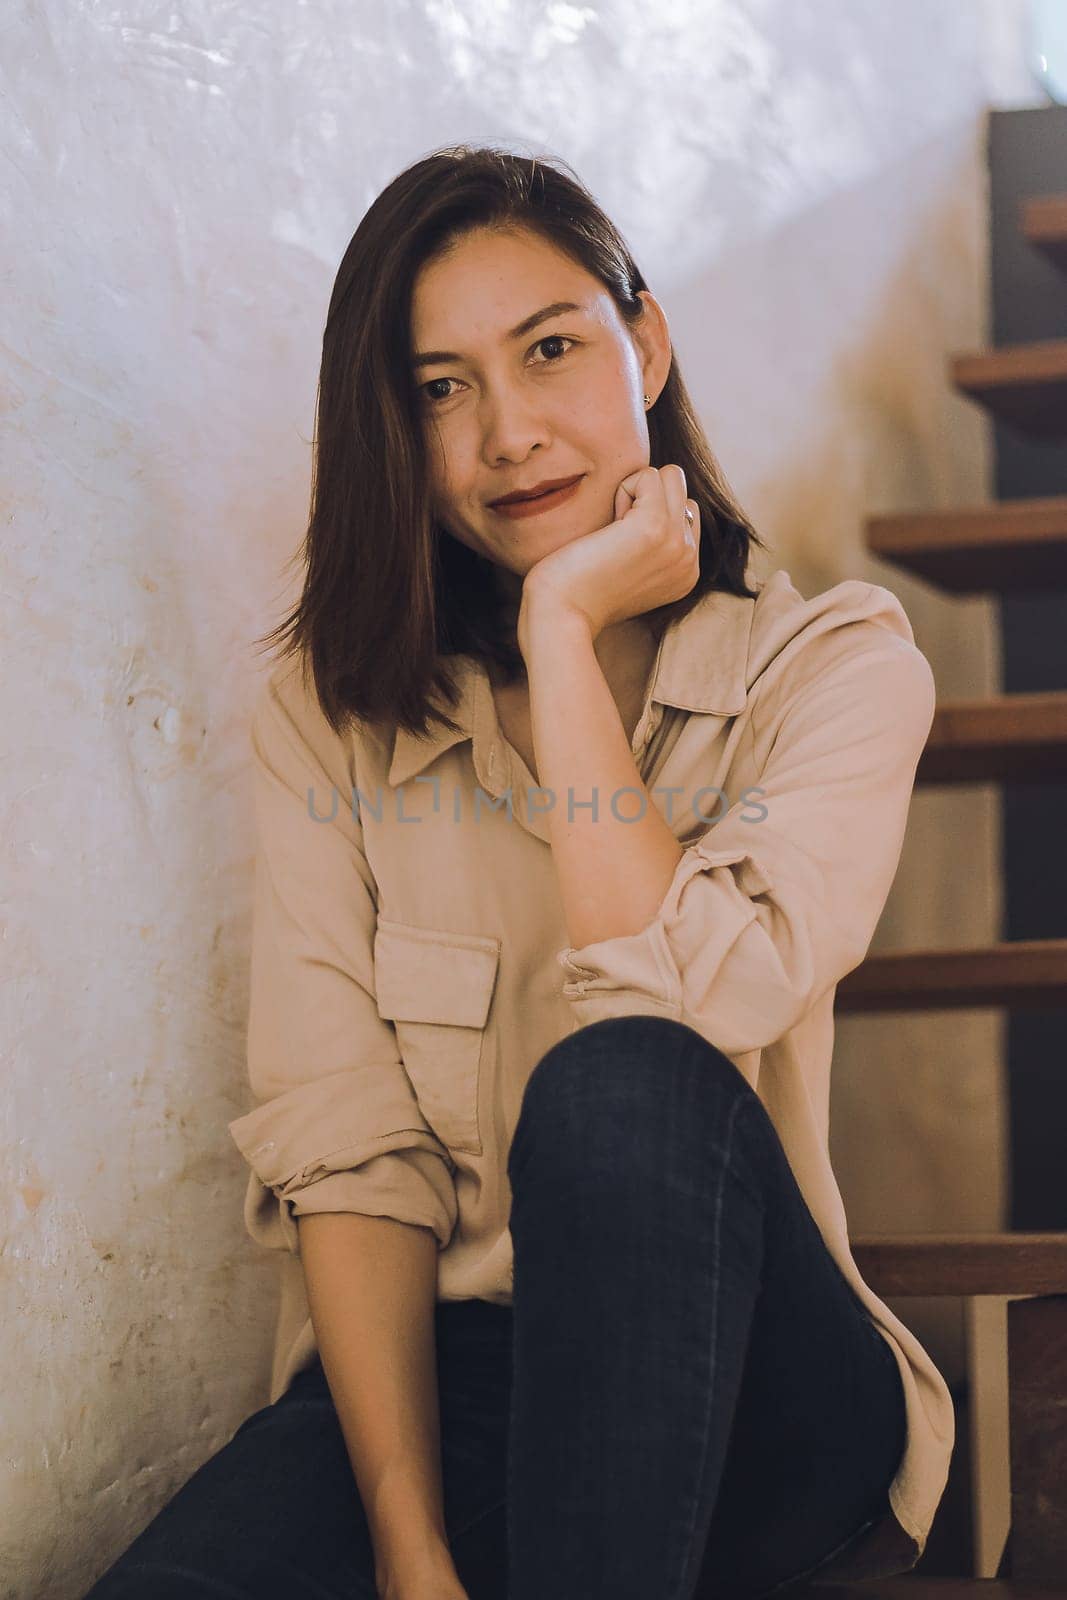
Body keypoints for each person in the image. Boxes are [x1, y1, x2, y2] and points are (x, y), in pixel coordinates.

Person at [83, 144, 954, 1600]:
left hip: (759, 1390)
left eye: (551, 349)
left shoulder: (839, 665)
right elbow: (353, 1159)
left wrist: (563, 642)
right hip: (461, 1386)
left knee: (620, 1084)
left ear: (647, 343)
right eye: (439, 388)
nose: (506, 435)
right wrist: (410, 1552)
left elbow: (669, 1013)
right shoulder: (333, 720)